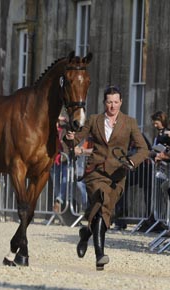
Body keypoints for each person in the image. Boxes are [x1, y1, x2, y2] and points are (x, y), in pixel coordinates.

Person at [64, 85, 149, 270]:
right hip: (95, 172)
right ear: (104, 102)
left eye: (116, 102)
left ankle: (86, 233)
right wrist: (70, 136)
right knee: (101, 202)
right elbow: (75, 139)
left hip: (117, 175)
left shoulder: (130, 122)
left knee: (105, 210)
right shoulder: (94, 120)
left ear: (121, 102)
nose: (112, 106)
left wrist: (132, 162)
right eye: (109, 102)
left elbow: (144, 149)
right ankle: (100, 255)